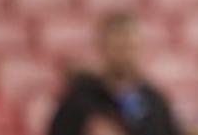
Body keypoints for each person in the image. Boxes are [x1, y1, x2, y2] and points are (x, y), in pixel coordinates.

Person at [48, 12, 181, 135]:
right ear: (102, 48)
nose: (125, 55)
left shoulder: (155, 100)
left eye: (130, 47)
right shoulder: (80, 99)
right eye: (118, 47)